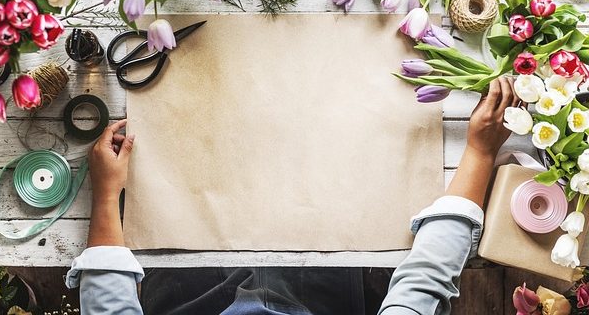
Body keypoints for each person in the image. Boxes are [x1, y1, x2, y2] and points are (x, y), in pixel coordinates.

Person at [65, 77, 519, 315]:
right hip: (324, 291)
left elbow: (108, 305)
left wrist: (105, 196)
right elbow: (425, 282)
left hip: (192, 294)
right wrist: (478, 152)